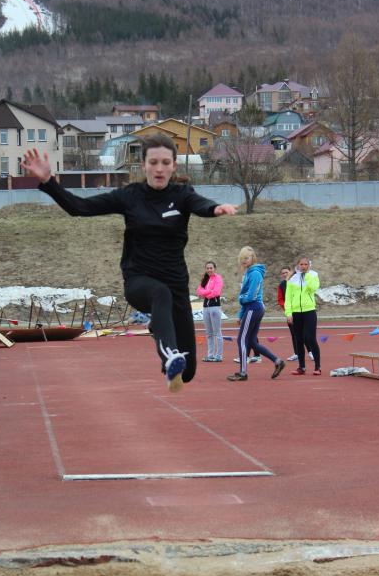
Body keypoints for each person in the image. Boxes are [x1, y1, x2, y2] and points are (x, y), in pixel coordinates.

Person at [22, 134, 237, 392]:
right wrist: (48, 182)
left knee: (188, 373)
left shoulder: (182, 195)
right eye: (153, 162)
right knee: (160, 294)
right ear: (143, 165)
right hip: (139, 281)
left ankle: (159, 329)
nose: (159, 168)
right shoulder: (130, 196)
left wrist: (215, 209)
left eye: (165, 162)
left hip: (176, 285)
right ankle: (168, 354)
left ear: (174, 165)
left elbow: (201, 204)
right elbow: (80, 207)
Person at [227, 246, 285, 382]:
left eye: (246, 258)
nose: (244, 261)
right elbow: (245, 298)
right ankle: (277, 361)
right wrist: (241, 314)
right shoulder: (248, 273)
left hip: (254, 308)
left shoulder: (255, 274)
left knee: (241, 339)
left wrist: (240, 299)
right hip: (252, 308)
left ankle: (242, 373)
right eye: (242, 259)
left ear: (252, 258)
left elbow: (249, 296)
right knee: (251, 341)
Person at [285, 257, 321, 375]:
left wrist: (307, 275)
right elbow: (288, 298)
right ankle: (301, 367)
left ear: (309, 265)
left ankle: (317, 367)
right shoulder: (292, 279)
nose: (303, 266)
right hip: (296, 313)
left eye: (306, 264)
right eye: (301, 264)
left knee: (310, 338)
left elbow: (313, 288)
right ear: (298, 265)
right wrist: (288, 313)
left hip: (309, 311)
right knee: (298, 340)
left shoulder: (313, 276)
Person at [278, 266, 313, 363]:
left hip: (300, 311)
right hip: (290, 313)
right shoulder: (281, 285)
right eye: (283, 273)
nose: (285, 274)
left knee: (304, 333)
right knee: (294, 334)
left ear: (290, 272)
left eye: (286, 272)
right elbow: (280, 299)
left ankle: (310, 351)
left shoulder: (297, 281)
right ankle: (297, 353)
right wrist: (287, 309)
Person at [197, 261, 224, 362]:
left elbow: (216, 292)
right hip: (205, 308)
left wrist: (205, 293)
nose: (209, 270)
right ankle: (210, 355)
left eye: (211, 268)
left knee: (217, 332)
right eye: (207, 268)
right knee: (209, 333)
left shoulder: (218, 278)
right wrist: (208, 292)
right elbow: (199, 291)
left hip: (215, 307)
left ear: (214, 268)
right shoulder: (205, 278)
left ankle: (219, 355)